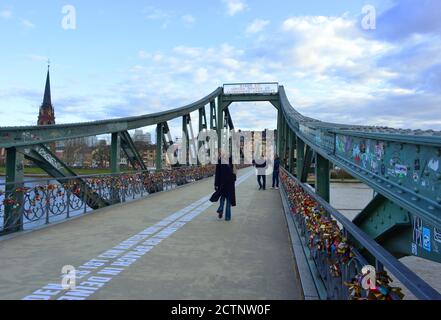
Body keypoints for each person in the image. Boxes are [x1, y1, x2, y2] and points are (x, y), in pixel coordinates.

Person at [211, 152, 237, 221]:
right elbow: (234, 171)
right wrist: (234, 179)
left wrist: (216, 184)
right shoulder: (231, 159)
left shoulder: (219, 161)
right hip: (230, 182)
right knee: (229, 199)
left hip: (222, 182)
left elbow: (217, 174)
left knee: (222, 196)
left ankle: (221, 208)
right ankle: (227, 217)